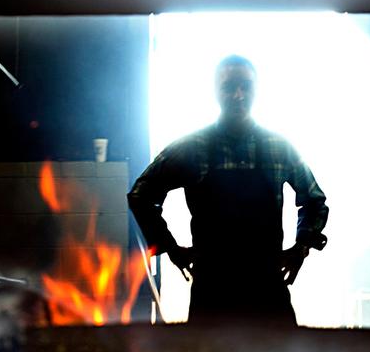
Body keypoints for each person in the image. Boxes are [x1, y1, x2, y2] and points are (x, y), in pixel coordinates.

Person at [127, 55, 328, 325]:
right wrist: (170, 248)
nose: (238, 94)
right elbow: (141, 195)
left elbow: (314, 199)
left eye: (246, 86)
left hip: (267, 288)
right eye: (229, 86)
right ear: (215, 91)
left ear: (257, 90)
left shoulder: (279, 147)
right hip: (212, 291)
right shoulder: (191, 147)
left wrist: (301, 248)